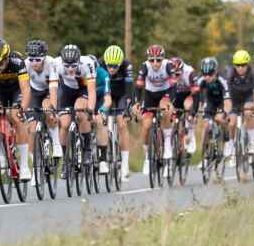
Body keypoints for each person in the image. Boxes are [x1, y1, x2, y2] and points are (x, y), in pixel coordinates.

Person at [0, 39, 32, 180]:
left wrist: (23, 108)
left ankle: (24, 166)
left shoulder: (17, 63)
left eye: (0, 63)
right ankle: (1, 148)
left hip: (16, 91)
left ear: (7, 58)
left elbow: (25, 89)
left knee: (16, 117)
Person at [55, 44, 97, 173]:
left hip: (83, 90)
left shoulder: (87, 63)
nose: (70, 69)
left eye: (73, 65)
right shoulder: (56, 64)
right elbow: (53, 88)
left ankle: (87, 149)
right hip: (66, 91)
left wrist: (90, 110)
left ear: (79, 61)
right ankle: (65, 159)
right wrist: (54, 108)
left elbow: (92, 90)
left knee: (80, 111)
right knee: (64, 124)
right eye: (67, 66)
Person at [135, 44, 175, 174]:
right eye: (152, 60)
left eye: (158, 60)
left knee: (164, 108)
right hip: (150, 95)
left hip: (165, 93)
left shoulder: (168, 65)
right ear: (148, 60)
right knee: (146, 125)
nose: (155, 63)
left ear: (163, 59)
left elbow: (174, 86)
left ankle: (167, 142)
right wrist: (137, 103)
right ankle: (147, 157)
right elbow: (138, 87)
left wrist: (169, 99)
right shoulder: (145, 66)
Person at [97, 45, 134, 181]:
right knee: (102, 120)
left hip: (122, 94)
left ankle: (125, 164)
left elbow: (130, 89)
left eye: (114, 66)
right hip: (106, 93)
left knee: (121, 123)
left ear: (120, 63)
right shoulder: (100, 64)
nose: (111, 69)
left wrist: (128, 107)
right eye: (109, 66)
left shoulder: (126, 66)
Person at [222, 50, 254, 167]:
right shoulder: (230, 74)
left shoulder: (253, 73)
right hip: (234, 98)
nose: (240, 68)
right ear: (234, 65)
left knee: (249, 112)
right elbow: (226, 96)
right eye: (238, 65)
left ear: (247, 64)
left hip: (248, 96)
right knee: (232, 123)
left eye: (243, 65)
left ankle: (252, 142)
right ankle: (231, 144)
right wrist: (227, 111)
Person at [24, 39, 62, 159]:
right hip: (34, 92)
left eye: (37, 60)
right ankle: (34, 161)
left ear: (44, 58)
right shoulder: (26, 64)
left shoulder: (51, 63)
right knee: (32, 128)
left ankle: (56, 144)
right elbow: (23, 88)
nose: (34, 63)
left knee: (48, 109)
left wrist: (53, 109)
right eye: (31, 59)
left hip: (49, 90)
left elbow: (53, 88)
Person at [192, 57, 232, 156]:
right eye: (204, 74)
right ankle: (204, 153)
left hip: (222, 101)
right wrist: (194, 113)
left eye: (210, 74)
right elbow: (196, 98)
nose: (207, 77)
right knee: (206, 124)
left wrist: (225, 113)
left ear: (216, 72)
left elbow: (227, 100)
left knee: (219, 118)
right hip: (210, 101)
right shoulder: (200, 81)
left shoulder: (222, 80)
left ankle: (227, 140)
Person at [168, 56, 197, 155]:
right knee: (171, 112)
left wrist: (193, 112)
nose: (175, 77)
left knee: (187, 107)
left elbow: (196, 94)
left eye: (178, 74)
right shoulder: (166, 72)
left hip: (189, 93)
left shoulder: (189, 72)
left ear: (182, 70)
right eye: (173, 74)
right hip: (177, 94)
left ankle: (191, 134)